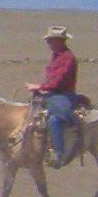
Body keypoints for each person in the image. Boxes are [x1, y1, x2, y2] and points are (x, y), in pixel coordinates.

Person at [26, 25, 79, 166]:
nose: (48, 44)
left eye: (50, 41)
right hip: (52, 93)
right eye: (48, 41)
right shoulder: (54, 56)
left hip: (64, 95)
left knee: (54, 120)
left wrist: (39, 87)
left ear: (59, 41)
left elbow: (58, 82)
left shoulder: (68, 57)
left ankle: (58, 154)